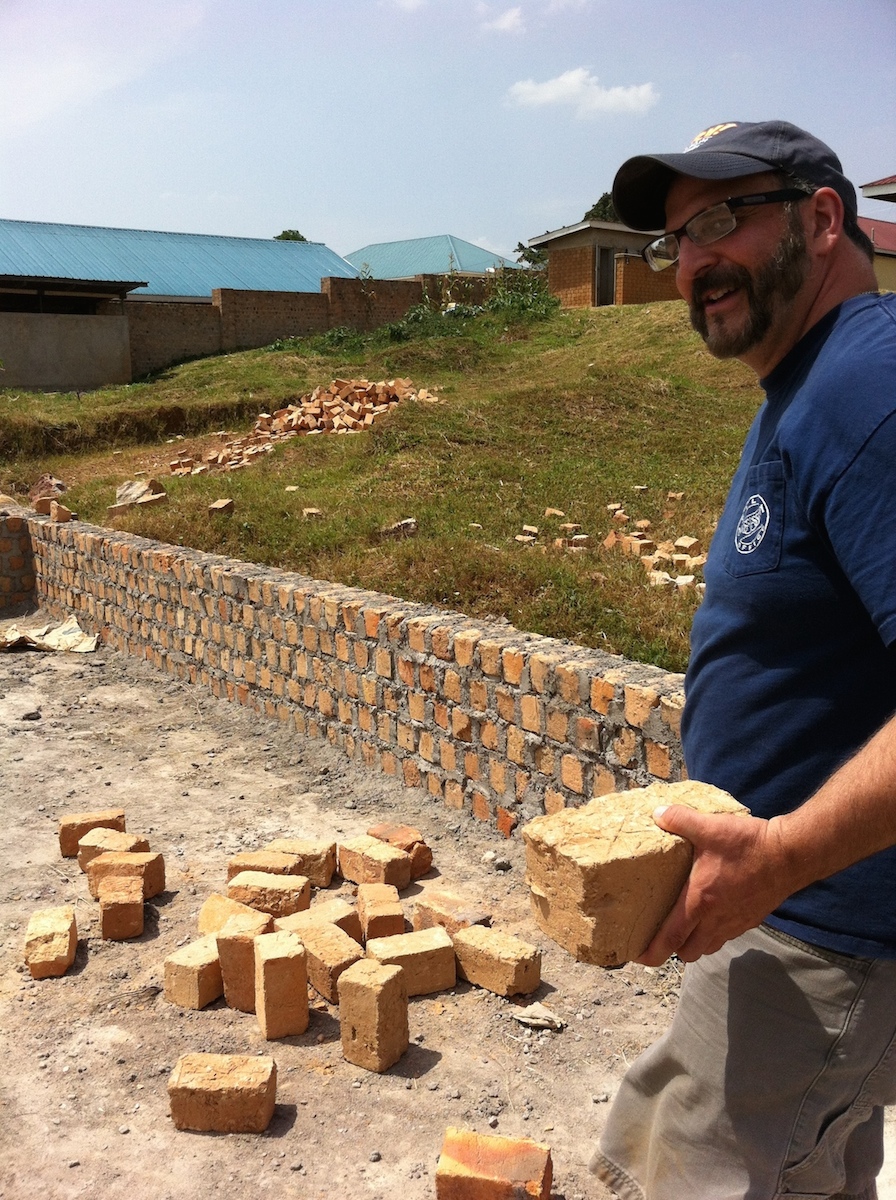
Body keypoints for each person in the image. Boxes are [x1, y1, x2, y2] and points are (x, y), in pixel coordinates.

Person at [590, 120, 896, 1200]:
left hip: (826, 938)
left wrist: (777, 857)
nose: (690, 262)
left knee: (670, 1160)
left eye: (722, 217)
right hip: (797, 919)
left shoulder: (867, 386)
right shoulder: (807, 388)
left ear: (820, 219)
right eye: (674, 238)